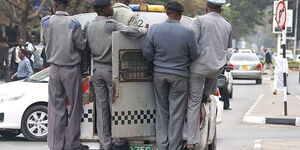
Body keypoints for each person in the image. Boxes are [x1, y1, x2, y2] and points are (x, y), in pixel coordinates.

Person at [85, 0, 146, 150]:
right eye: (110, 6)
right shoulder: (111, 24)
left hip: (96, 71)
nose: (112, 8)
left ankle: (105, 143)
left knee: (101, 107)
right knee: (116, 106)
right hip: (111, 71)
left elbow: (84, 47)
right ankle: (118, 140)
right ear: (104, 9)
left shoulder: (88, 25)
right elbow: (132, 31)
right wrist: (145, 30)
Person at [143, 2, 199, 150]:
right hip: (180, 76)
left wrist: (156, 61)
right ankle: (174, 147)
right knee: (177, 113)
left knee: (162, 111)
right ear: (180, 14)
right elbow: (195, 54)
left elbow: (147, 52)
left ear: (167, 13)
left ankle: (162, 146)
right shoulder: (188, 32)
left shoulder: (154, 29)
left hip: (159, 75)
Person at [41, 0, 88, 150]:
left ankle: (55, 145)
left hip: (54, 69)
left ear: (55, 6)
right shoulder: (74, 23)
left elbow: (44, 42)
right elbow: (81, 45)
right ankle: (71, 143)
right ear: (65, 6)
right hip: (71, 69)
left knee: (55, 107)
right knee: (74, 107)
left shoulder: (45, 22)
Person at [187, 0, 232, 149]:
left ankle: (192, 140)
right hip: (216, 69)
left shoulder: (199, 20)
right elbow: (228, 48)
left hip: (199, 68)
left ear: (206, 8)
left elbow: (191, 43)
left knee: (193, 102)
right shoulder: (227, 25)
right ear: (220, 10)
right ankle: (204, 103)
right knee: (206, 98)